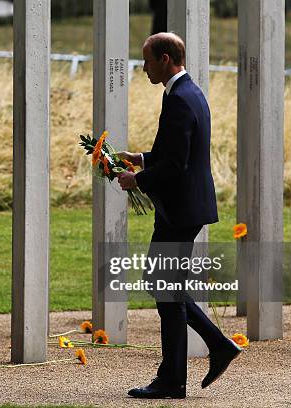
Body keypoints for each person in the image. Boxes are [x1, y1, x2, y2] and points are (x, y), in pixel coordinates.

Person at [116, 32, 241, 400]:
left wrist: (136, 179)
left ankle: (177, 375)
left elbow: (176, 164)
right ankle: (207, 353)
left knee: (164, 289)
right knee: (165, 287)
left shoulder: (181, 100)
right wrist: (142, 158)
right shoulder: (187, 93)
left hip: (181, 211)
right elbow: (173, 152)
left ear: (166, 59)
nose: (143, 68)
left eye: (148, 61)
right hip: (183, 208)